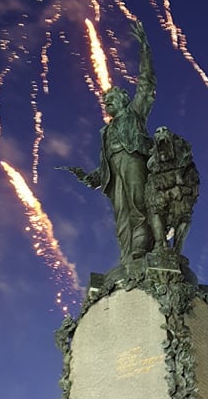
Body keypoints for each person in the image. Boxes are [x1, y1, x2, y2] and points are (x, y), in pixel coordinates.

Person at [66, 19, 156, 260]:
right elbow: (105, 161)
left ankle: (142, 246)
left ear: (123, 100)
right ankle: (128, 256)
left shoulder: (135, 112)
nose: (106, 106)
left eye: (110, 101)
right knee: (121, 212)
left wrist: (145, 48)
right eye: (106, 103)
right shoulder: (106, 131)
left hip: (133, 158)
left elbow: (147, 85)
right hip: (114, 168)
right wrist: (91, 177)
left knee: (138, 202)